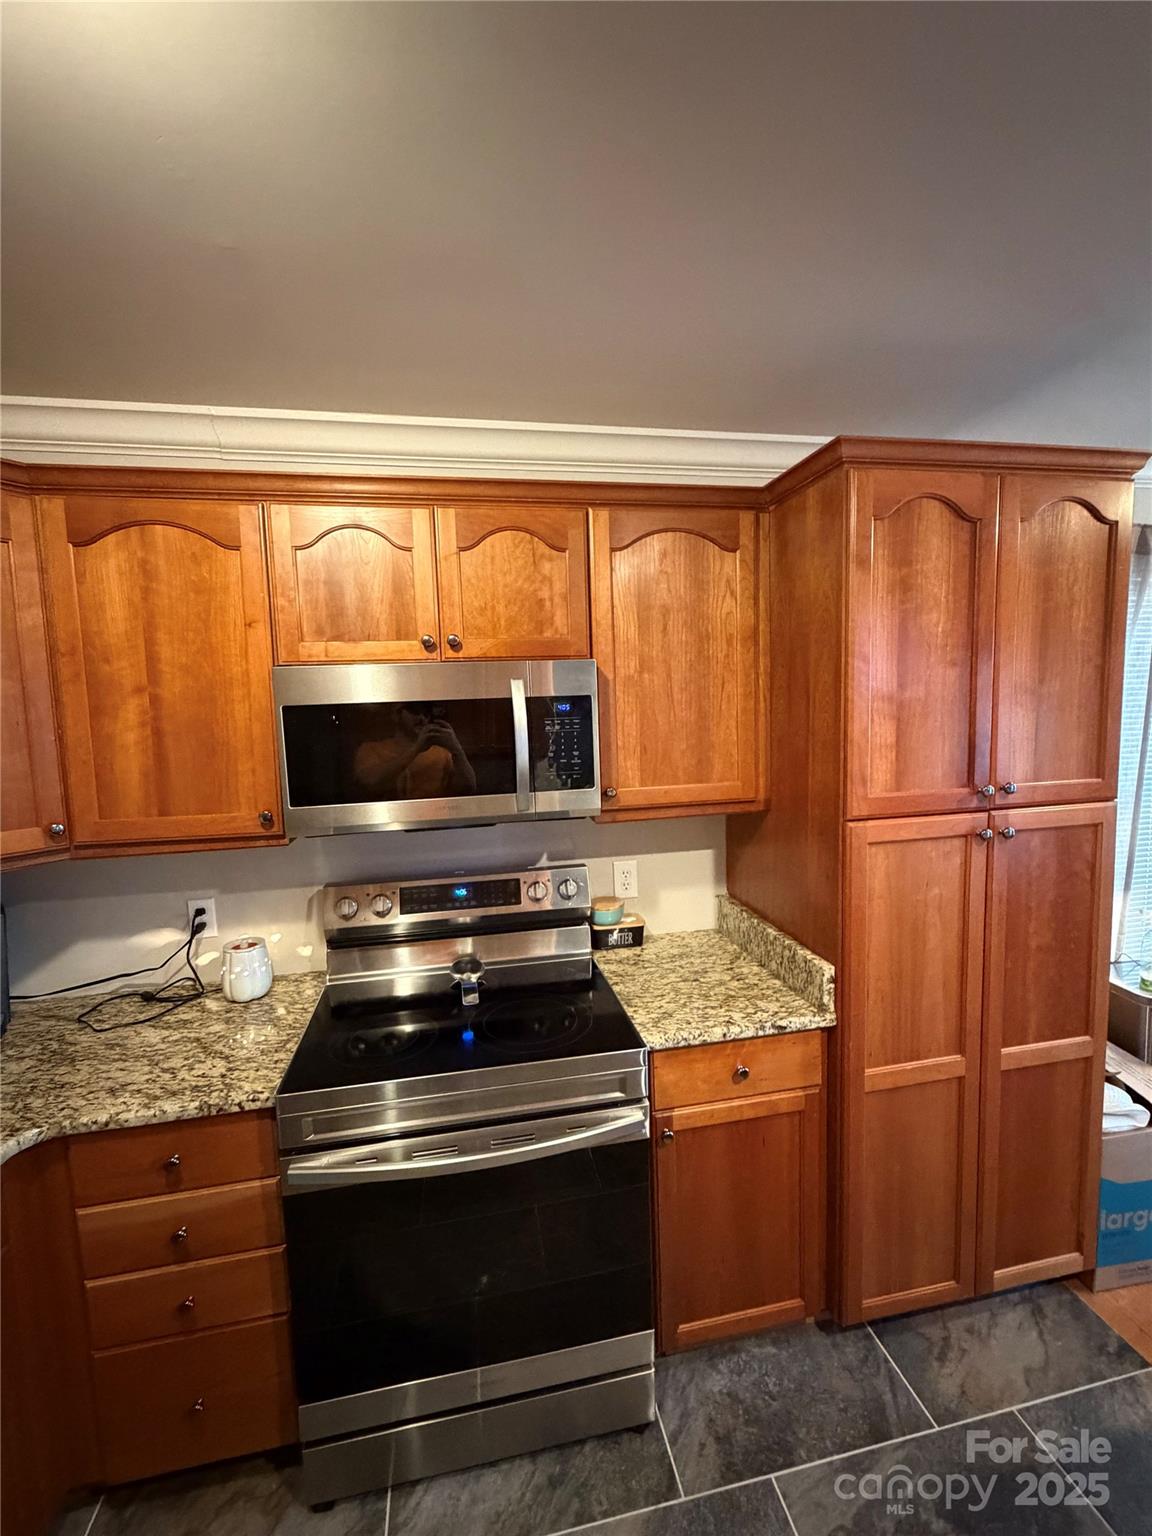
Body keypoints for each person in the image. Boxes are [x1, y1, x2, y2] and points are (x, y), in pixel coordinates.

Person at [352, 704, 477, 798]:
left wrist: (457, 750)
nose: (422, 718)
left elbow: (468, 789)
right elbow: (370, 783)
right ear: (396, 716)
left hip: (433, 822)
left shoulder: (441, 753)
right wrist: (416, 749)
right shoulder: (371, 749)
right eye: (414, 711)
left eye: (426, 713)